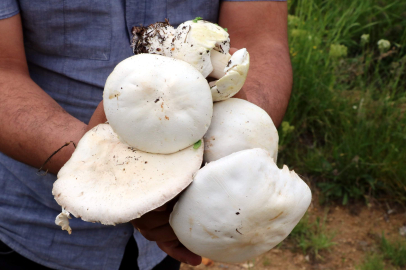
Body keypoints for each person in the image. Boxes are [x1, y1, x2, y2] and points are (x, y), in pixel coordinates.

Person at [0, 0, 292, 269]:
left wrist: (228, 151)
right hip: (35, 224)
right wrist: (109, 164)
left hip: (177, 233)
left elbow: (262, 40)